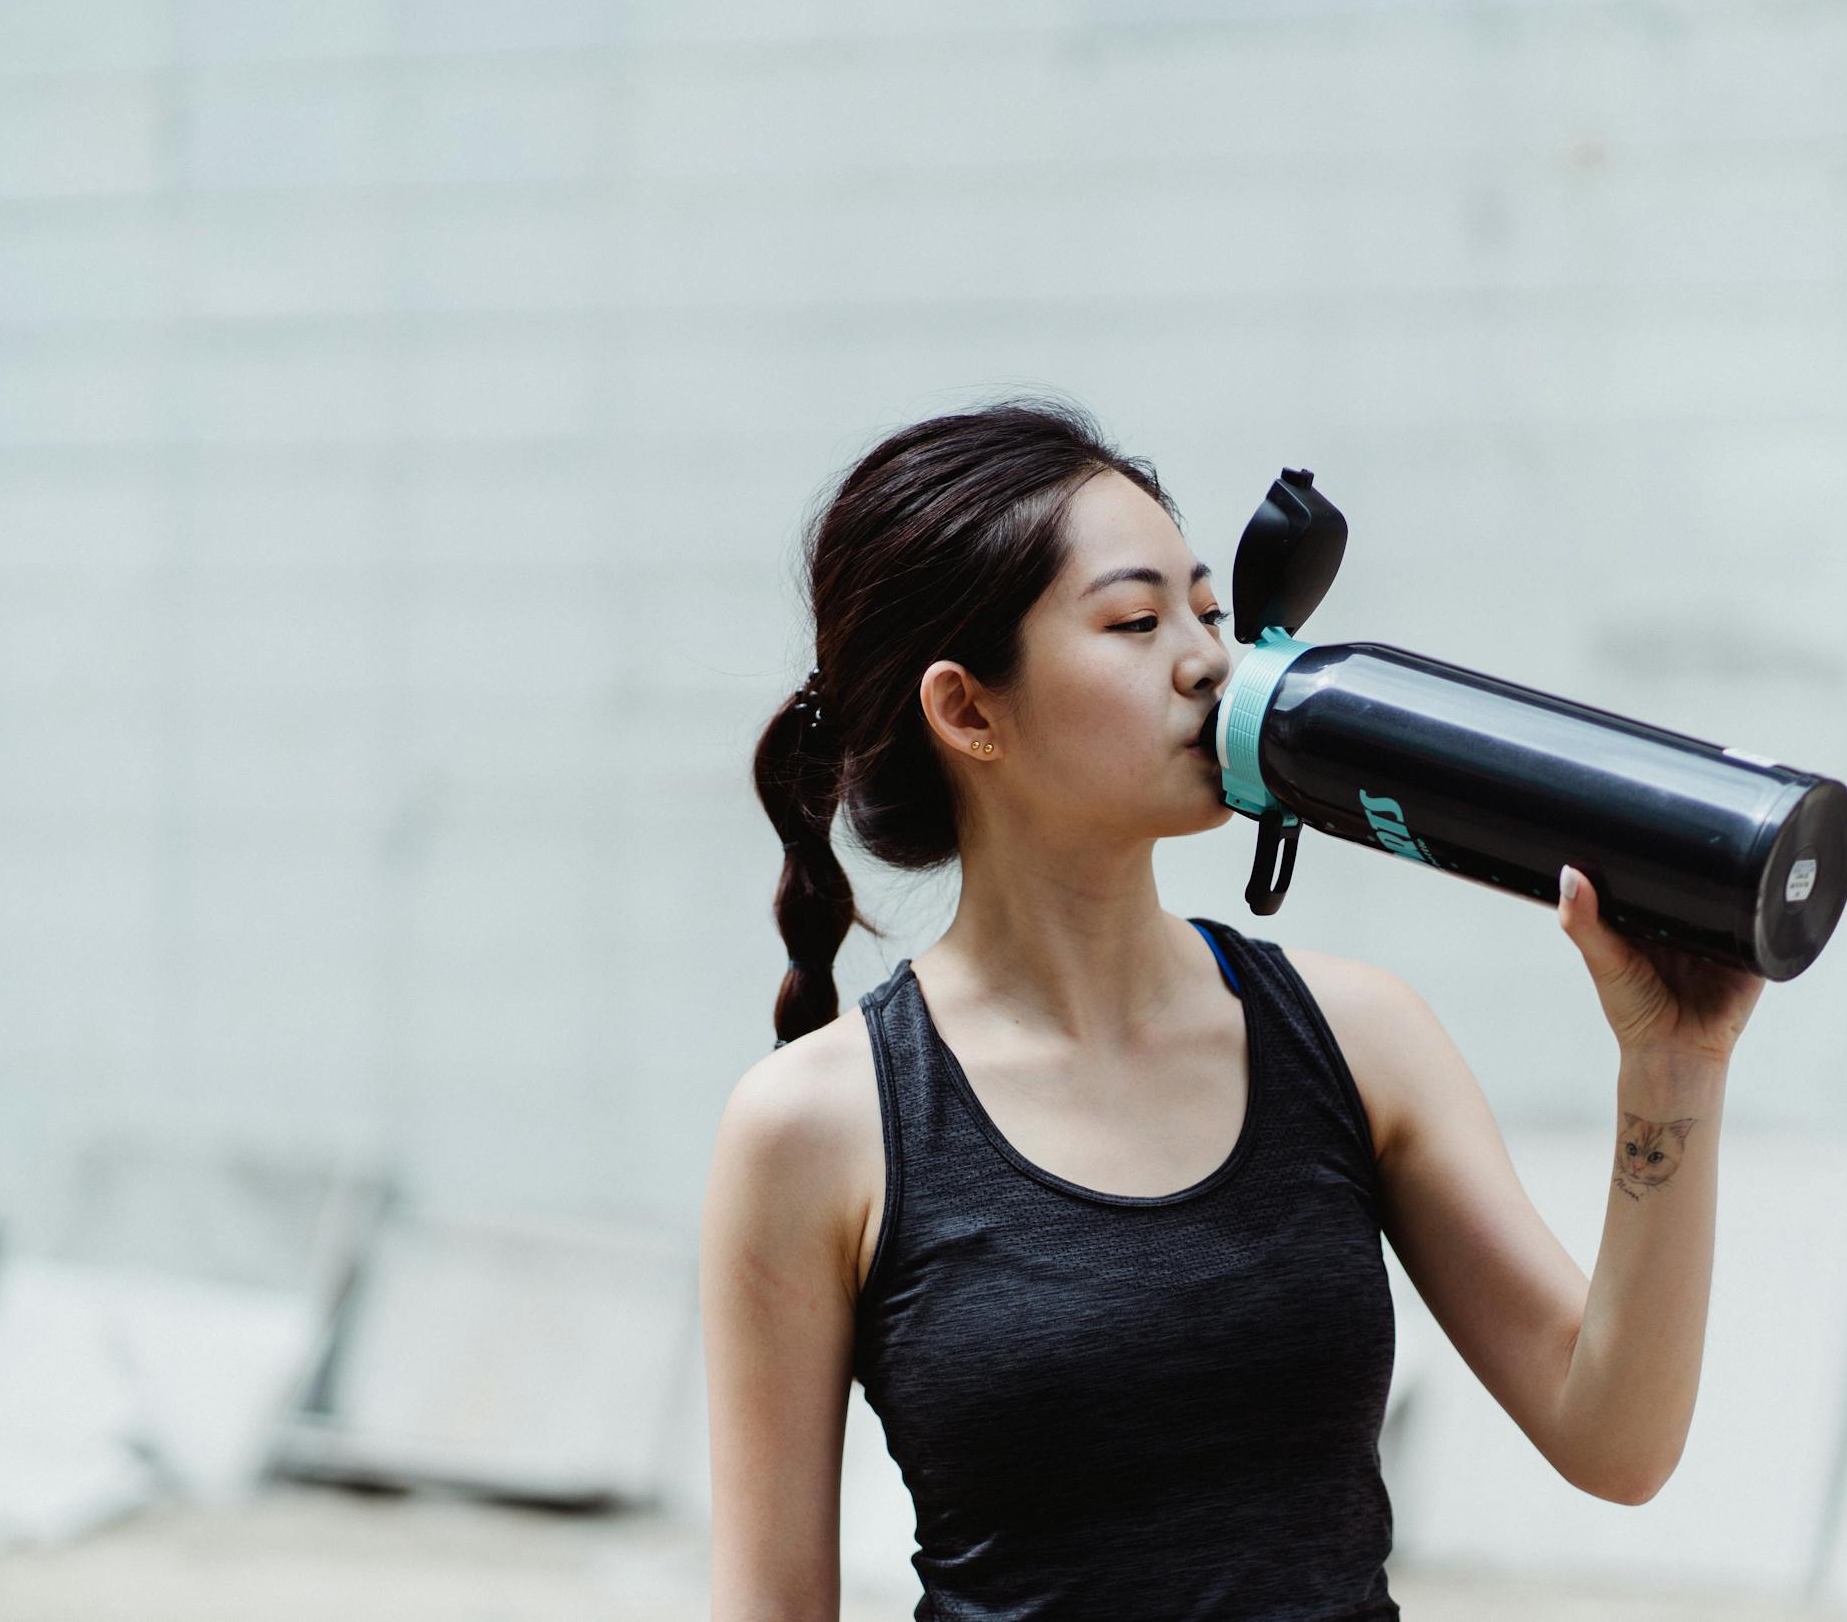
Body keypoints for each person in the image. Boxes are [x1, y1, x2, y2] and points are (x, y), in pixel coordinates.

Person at [700, 395, 1764, 1620]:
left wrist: (1674, 1067)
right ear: (968, 711)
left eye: (1209, 610)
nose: (1209, 659)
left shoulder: (1358, 1038)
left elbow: (1615, 1439)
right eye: (1137, 621)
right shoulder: (820, 1127)